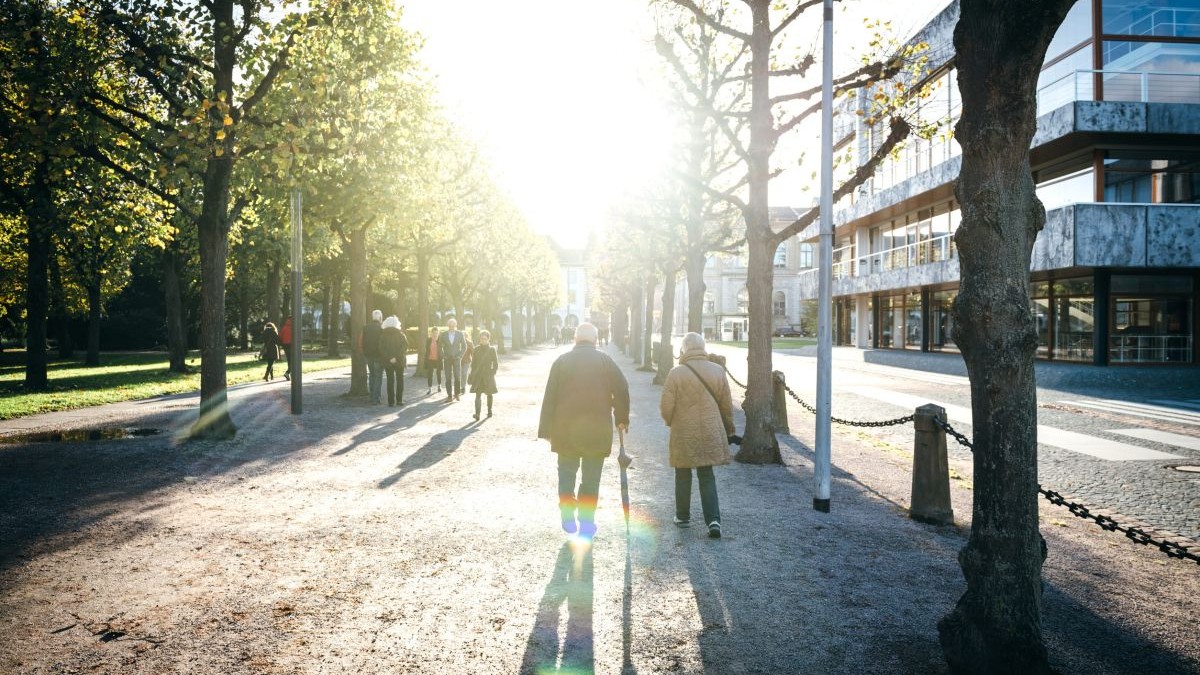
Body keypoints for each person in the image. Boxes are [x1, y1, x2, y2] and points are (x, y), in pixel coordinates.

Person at [538, 322, 630, 539]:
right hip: (597, 430)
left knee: (566, 471)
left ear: (575, 339)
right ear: (596, 339)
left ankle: (567, 510)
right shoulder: (606, 362)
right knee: (591, 477)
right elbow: (622, 389)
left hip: (565, 428)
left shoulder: (561, 361)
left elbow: (549, 396)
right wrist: (621, 418)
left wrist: (546, 429)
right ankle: (587, 523)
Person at [659, 332, 734, 539]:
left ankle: (683, 517)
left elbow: (666, 406)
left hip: (683, 429)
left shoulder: (676, 373)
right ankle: (713, 520)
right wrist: (728, 428)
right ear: (703, 347)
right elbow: (726, 404)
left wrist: (670, 421)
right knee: (706, 473)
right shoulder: (717, 370)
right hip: (710, 427)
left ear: (684, 349)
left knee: (682, 472)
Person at [379, 315, 409, 407]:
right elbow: (404, 347)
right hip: (399, 361)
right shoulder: (401, 335)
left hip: (388, 362)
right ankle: (399, 400)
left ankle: (391, 401)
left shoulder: (383, 335)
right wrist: (396, 357)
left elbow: (381, 348)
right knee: (400, 380)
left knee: (390, 381)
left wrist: (389, 358)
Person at [469, 329, 498, 420]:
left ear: (488, 339)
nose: (483, 340)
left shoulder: (492, 349)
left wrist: (492, 373)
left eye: (485, 339)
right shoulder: (476, 349)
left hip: (488, 376)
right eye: (481, 338)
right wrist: (473, 374)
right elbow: (473, 364)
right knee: (478, 395)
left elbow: (496, 363)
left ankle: (489, 411)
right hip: (478, 376)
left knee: (489, 394)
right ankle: (477, 414)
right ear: (479, 339)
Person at [438, 318, 467, 402]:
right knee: (448, 377)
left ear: (455, 325)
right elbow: (439, 346)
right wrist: (443, 356)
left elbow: (464, 346)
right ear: (448, 325)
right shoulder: (443, 334)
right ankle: (449, 395)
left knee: (457, 376)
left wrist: (460, 356)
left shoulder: (460, 334)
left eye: (453, 325)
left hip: (457, 359)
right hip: (447, 359)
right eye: (450, 325)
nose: (452, 327)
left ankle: (457, 394)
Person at [363, 310, 384, 405]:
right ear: (380, 318)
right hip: (378, 356)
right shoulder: (381, 328)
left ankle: (371, 396)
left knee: (371, 375)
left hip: (368, 355)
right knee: (378, 377)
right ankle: (376, 398)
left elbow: (362, 341)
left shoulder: (366, 327)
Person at [424, 327, 443, 395]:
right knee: (430, 374)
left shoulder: (440, 340)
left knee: (438, 373)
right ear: (431, 333)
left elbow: (442, 349)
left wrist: (442, 355)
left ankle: (439, 386)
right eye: (434, 333)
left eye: (436, 333)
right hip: (430, 359)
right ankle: (429, 388)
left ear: (438, 333)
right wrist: (426, 359)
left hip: (438, 359)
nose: (435, 334)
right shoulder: (428, 340)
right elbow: (427, 350)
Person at [279, 316, 294, 380]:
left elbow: (280, 337)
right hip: (292, 345)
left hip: (285, 345)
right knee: (293, 360)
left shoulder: (284, 328)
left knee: (289, 360)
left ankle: (288, 373)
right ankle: (288, 372)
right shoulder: (293, 328)